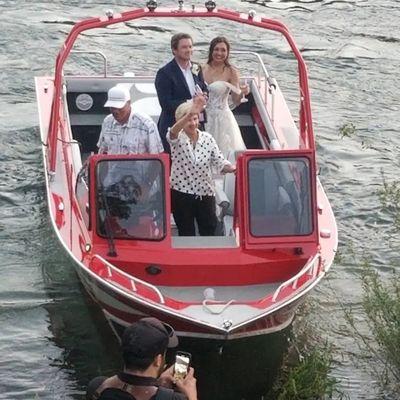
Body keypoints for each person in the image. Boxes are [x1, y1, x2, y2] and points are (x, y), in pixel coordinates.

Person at [167, 96, 236, 236]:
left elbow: (219, 162)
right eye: (188, 120)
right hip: (181, 194)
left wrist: (233, 168)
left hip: (205, 193)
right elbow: (172, 133)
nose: (192, 123)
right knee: (186, 232)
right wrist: (190, 111)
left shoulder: (207, 138)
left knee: (209, 230)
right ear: (180, 121)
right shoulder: (176, 138)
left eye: (195, 119)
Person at [86, 317, 197, 400]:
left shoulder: (97, 386)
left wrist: (158, 384)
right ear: (158, 360)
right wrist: (191, 397)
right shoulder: (174, 399)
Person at [155, 33, 208, 153]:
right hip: (174, 124)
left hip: (196, 123)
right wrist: (191, 104)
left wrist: (204, 96)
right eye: (184, 47)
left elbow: (204, 87)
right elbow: (165, 103)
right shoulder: (164, 73)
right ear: (174, 50)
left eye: (190, 47)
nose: (189, 50)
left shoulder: (197, 67)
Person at [202, 36, 249, 158]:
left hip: (223, 118)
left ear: (227, 53)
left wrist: (242, 92)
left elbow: (235, 100)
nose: (219, 53)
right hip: (204, 116)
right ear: (211, 51)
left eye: (223, 50)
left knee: (225, 153)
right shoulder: (201, 69)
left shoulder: (231, 71)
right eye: (216, 49)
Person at [97, 84, 164, 155]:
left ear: (129, 103)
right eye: (112, 107)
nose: (115, 111)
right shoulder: (107, 122)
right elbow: (102, 151)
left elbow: (157, 155)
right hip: (113, 166)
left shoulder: (147, 125)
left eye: (119, 107)